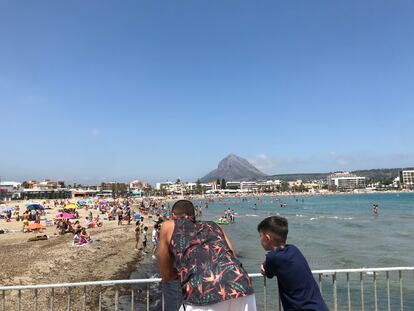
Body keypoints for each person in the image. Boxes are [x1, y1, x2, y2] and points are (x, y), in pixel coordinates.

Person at [158, 200, 256, 311]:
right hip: (240, 284)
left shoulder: (168, 225)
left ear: (173, 215)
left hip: (204, 290)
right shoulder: (214, 225)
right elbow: (233, 254)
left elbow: (166, 272)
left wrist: (178, 273)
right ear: (194, 214)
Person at [257, 216, 328, 311]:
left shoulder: (272, 257)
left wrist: (263, 266)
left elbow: (268, 273)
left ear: (267, 238)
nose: (260, 240)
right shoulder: (294, 249)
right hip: (319, 306)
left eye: (260, 236)